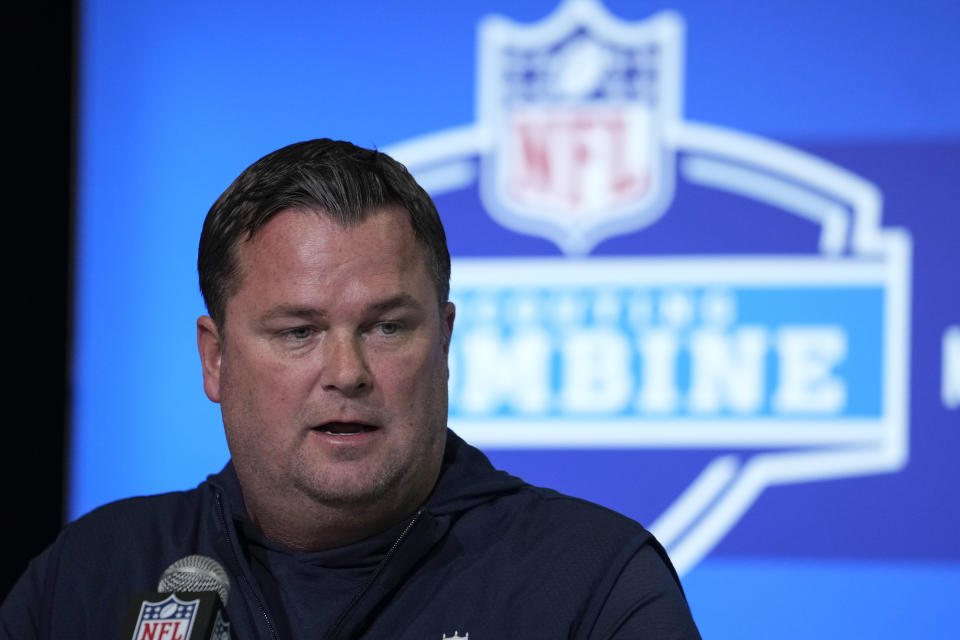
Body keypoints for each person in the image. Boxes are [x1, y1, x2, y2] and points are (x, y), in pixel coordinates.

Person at [1, 139, 701, 639]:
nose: (346, 371)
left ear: (446, 343)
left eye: (387, 327)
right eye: (299, 331)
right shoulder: (91, 574)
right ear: (215, 361)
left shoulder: (592, 581)